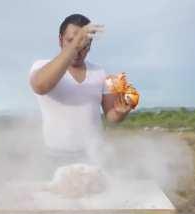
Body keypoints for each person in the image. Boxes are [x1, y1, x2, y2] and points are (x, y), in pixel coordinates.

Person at [29, 14, 132, 169]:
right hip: (54, 158)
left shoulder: (100, 72)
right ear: (60, 40)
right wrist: (75, 44)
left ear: (90, 45)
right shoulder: (41, 66)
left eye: (84, 44)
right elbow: (40, 86)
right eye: (71, 41)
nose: (78, 50)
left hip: (94, 155)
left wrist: (120, 111)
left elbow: (111, 116)